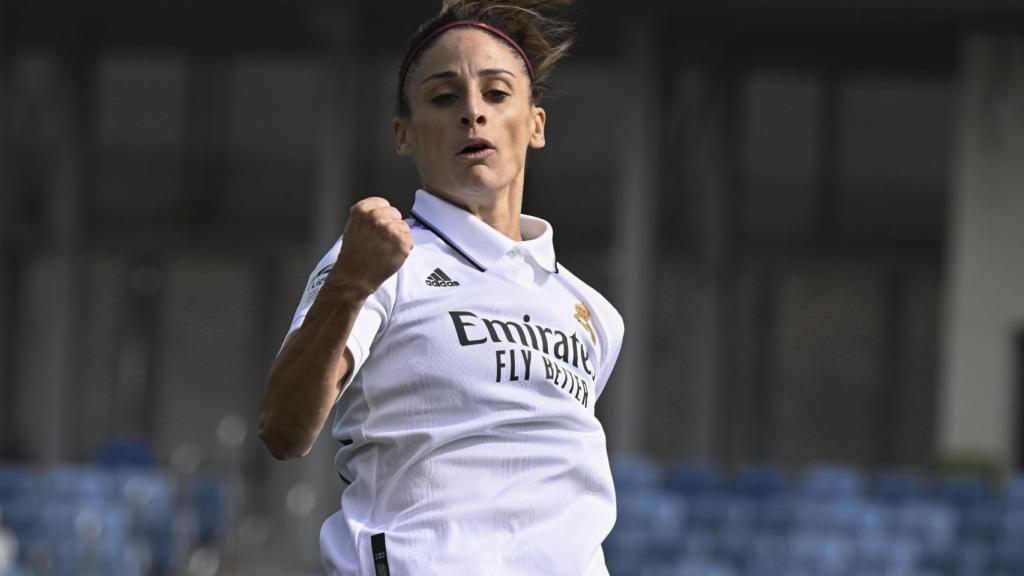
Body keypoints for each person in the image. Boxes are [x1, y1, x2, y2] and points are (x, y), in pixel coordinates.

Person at [259, 1, 624, 573]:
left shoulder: (594, 314)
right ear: (403, 135)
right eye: (444, 97)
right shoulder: (383, 263)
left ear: (536, 124)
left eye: (496, 93)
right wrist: (349, 285)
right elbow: (283, 430)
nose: (473, 112)